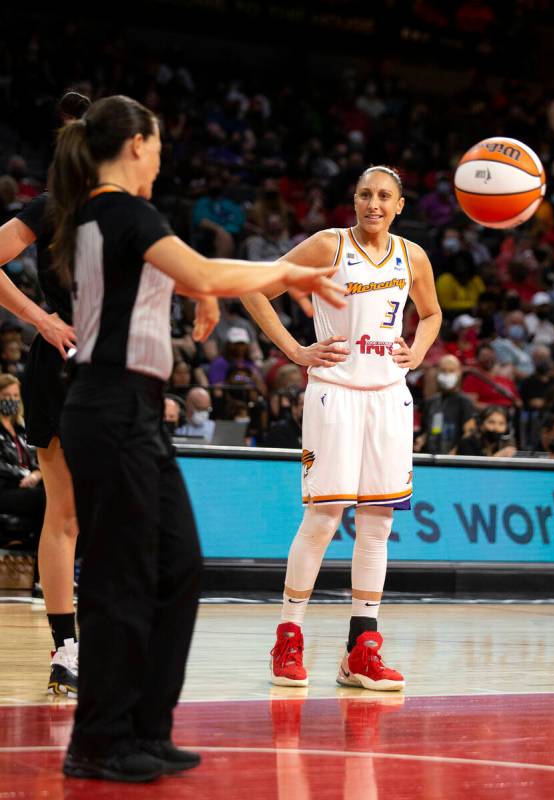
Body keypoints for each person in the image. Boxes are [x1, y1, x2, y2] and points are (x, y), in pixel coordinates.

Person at [48, 93, 344, 783]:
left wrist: (201, 292)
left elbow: (179, 278)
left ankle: (145, 729)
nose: (162, 156)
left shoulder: (105, 215)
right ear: (137, 147)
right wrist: (286, 272)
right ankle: (97, 741)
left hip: (134, 409)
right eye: (157, 144)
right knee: (123, 580)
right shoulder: (121, 208)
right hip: (111, 403)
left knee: (177, 568)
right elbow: (205, 270)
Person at [242, 165, 442, 692]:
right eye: (364, 194)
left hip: (389, 397)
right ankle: (288, 638)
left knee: (377, 524)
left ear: (400, 205)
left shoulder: (411, 255)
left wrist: (416, 352)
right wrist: (295, 351)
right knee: (325, 517)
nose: (373, 203)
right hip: (335, 393)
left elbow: (433, 313)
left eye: (384, 196)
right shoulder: (328, 245)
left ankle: (362, 650)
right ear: (352, 200)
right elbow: (253, 288)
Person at [0, 92, 86, 695]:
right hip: (61, 367)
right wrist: (45, 320)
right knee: (67, 513)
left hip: (119, 372)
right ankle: (68, 648)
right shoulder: (52, 207)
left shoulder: (137, 214)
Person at [0, 375, 45, 541]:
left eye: (15, 396)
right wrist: (25, 475)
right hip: (6, 488)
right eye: (6, 396)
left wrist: (38, 474)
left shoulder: (21, 427)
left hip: (27, 486)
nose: (11, 400)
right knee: (45, 498)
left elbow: (37, 459)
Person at [415, 355, 476, 454]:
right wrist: (422, 439)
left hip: (454, 461)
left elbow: (469, 433)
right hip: (432, 458)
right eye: (443, 370)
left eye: (451, 371)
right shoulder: (431, 402)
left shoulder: (465, 402)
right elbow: (433, 429)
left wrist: (456, 452)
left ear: (459, 373)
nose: (447, 374)